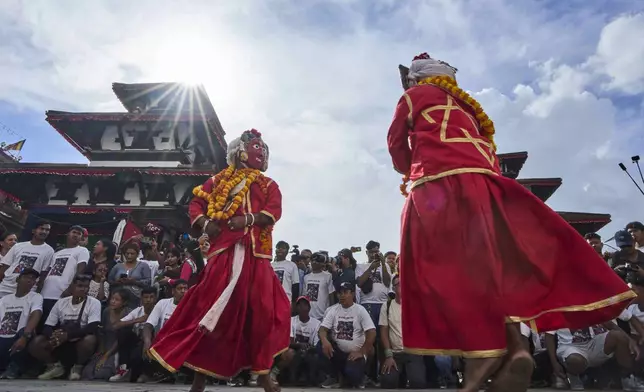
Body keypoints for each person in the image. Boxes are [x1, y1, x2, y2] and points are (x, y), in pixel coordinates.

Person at [387, 52, 634, 392]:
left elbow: (396, 145)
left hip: (438, 187)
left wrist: (407, 169)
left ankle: (480, 356)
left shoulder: (412, 97)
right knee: (494, 271)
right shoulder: (468, 109)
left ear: (415, 80)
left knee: (442, 273)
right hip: (488, 189)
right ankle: (516, 348)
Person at [149, 129, 289, 392]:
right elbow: (196, 205)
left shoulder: (268, 184)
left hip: (256, 255)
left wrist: (247, 219)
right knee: (209, 309)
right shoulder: (217, 181)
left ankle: (263, 376)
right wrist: (205, 223)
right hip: (222, 253)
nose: (262, 151)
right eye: (256, 146)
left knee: (262, 311)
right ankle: (198, 378)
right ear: (241, 151)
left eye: (263, 147)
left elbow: (273, 211)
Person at [29, 274, 101, 381]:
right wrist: (54, 336)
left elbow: (92, 327)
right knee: (37, 342)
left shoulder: (94, 302)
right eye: (80, 286)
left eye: (86, 287)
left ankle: (77, 368)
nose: (83, 289)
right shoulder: (61, 302)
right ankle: (54, 367)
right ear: (72, 287)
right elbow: (48, 326)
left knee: (90, 340)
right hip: (61, 339)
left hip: (79, 339)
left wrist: (68, 336)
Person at [0, 268, 43, 379]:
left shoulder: (35, 297)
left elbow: (36, 314)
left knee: (26, 331)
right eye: (26, 277)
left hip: (19, 338)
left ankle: (14, 368)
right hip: (3, 339)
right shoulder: (5, 300)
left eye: (33, 278)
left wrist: (24, 336)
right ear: (18, 279)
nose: (30, 280)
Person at [0, 220, 55, 298]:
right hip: (5, 287)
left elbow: (43, 275)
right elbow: (5, 266)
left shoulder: (49, 251)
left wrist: (37, 293)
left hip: (26, 291)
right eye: (41, 229)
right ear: (33, 231)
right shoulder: (18, 246)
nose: (44, 232)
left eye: (47, 230)